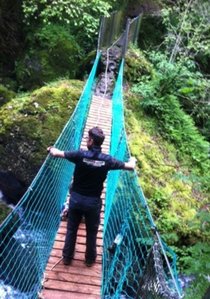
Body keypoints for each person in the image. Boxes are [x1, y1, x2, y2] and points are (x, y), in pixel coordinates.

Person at [47, 126, 136, 267]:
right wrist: (133, 160)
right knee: (92, 231)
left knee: (71, 229)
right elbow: (129, 167)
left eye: (88, 138)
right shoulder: (108, 160)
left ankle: (67, 257)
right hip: (93, 203)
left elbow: (57, 153)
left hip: (75, 200)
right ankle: (89, 259)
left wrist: (51, 149)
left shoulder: (79, 155)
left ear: (91, 140)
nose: (87, 140)